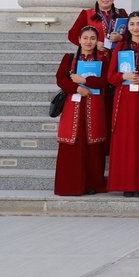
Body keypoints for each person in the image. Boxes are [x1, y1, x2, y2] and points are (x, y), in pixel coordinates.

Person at [106, 13, 139, 196]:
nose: (135, 27)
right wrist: (124, 76)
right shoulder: (120, 47)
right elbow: (110, 77)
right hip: (124, 98)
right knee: (125, 140)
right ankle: (126, 184)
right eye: (132, 24)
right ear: (127, 27)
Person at [54, 25, 108, 196]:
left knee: (93, 144)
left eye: (92, 38)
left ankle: (92, 185)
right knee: (73, 143)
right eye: (85, 38)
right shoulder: (69, 58)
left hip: (94, 104)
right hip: (74, 105)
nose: (89, 41)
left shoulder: (103, 59)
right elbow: (60, 78)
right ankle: (70, 185)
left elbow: (105, 80)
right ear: (78, 40)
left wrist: (86, 81)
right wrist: (77, 88)